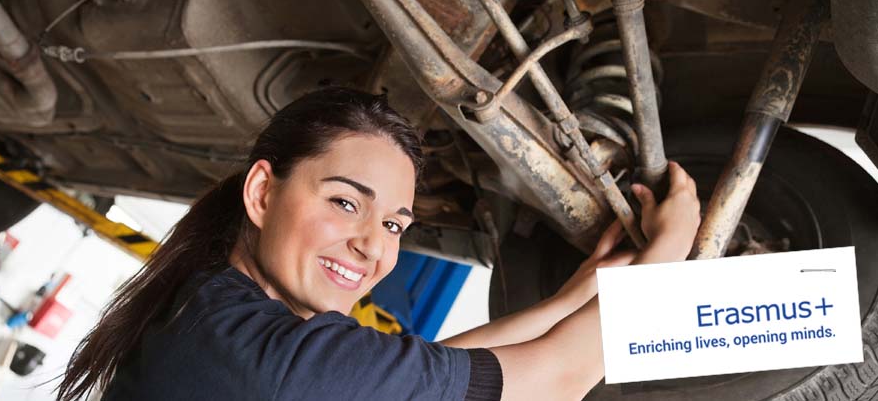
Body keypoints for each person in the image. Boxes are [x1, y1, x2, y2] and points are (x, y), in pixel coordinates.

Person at [57, 88, 701, 401]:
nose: (372, 247)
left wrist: (578, 292)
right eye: (344, 202)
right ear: (262, 193)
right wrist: (666, 258)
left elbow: (423, 373)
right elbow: (556, 378)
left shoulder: (211, 313)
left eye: (394, 224)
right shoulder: (275, 361)